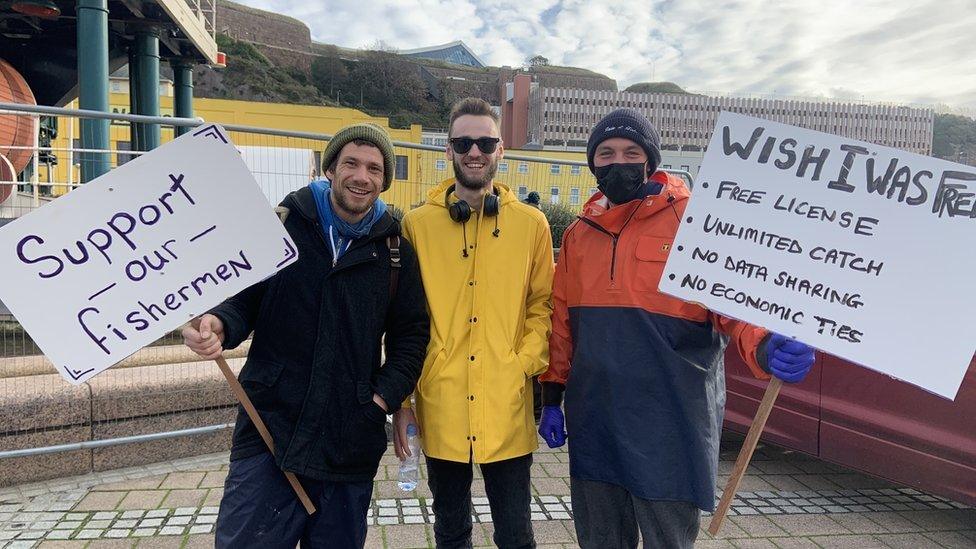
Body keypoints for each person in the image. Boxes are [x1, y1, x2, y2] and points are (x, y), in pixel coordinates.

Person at [537, 108, 816, 549]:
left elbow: (736, 304)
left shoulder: (695, 221)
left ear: (651, 160)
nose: (618, 162)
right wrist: (552, 396)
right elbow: (563, 326)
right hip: (596, 419)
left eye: (631, 151)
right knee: (600, 540)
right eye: (605, 153)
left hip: (670, 421)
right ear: (592, 164)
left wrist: (764, 346)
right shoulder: (577, 235)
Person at [182, 123, 429, 549]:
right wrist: (220, 323)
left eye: (374, 168)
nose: (361, 176)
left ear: (384, 180)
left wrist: (381, 400)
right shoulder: (281, 225)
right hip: (270, 428)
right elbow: (244, 299)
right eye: (350, 163)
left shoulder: (393, 250)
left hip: (348, 437)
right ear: (331, 168)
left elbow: (411, 336)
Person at [394, 97, 554, 549]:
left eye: (485, 141)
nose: (474, 152)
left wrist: (522, 362)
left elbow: (543, 303)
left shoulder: (533, 225)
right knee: (450, 531)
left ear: (500, 149)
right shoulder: (416, 225)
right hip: (441, 404)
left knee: (517, 534)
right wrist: (404, 397)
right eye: (464, 142)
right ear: (448, 149)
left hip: (506, 406)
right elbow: (404, 317)